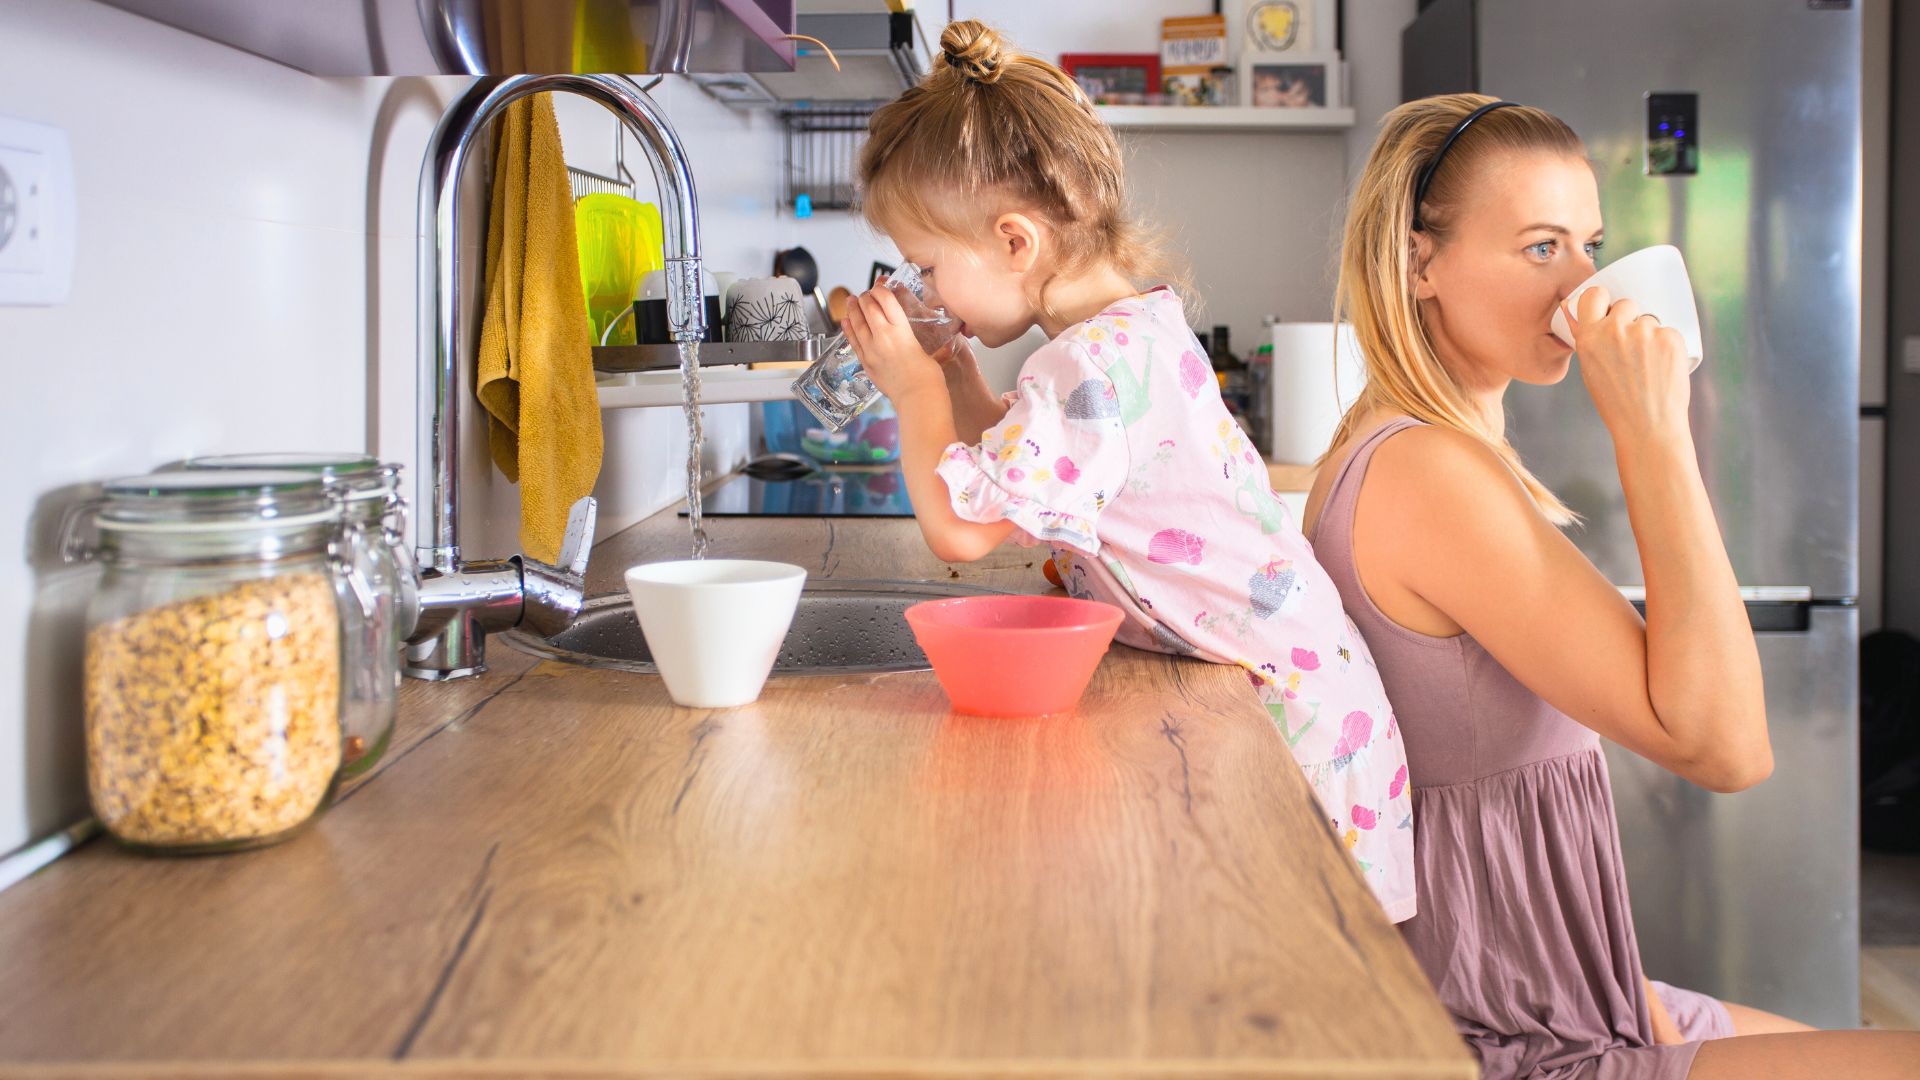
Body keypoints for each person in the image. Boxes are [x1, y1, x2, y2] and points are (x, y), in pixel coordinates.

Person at [1304, 92, 1920, 1079]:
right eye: (1542, 247)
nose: (1582, 286)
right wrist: (1653, 432)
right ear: (1422, 263)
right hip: (1511, 1034)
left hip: (1578, 990)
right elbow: (1726, 746)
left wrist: (1688, 427)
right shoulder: (1430, 477)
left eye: (1591, 244)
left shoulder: (1430, 450)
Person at [841, 19, 1416, 921]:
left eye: (926, 266)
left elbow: (962, 532)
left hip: (1290, 736)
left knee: (1299, 1003)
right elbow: (1037, 470)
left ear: (1015, 241)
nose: (922, 289)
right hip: (1300, 699)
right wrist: (951, 372)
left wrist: (914, 392)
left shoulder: (1086, 363)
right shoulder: (1126, 331)